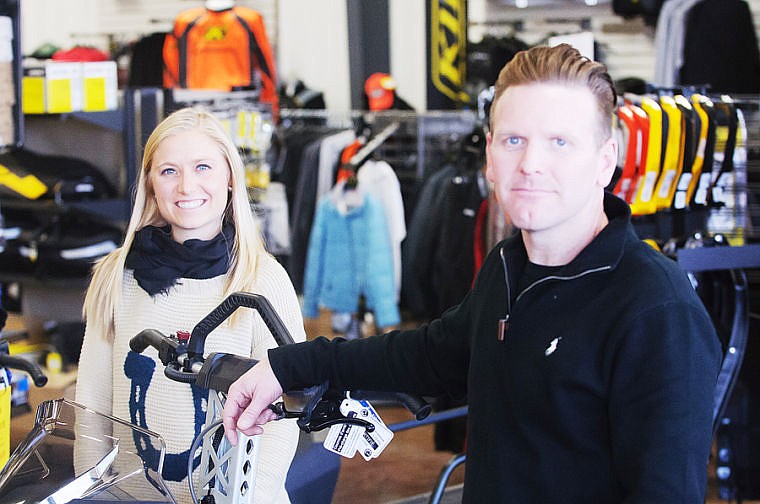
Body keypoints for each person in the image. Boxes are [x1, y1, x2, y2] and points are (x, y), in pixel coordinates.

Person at [221, 44, 722, 503]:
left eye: (560, 142)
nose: (530, 163)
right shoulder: (508, 266)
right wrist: (286, 366)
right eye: (513, 140)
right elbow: (427, 355)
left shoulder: (656, 311)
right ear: (489, 156)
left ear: (605, 161)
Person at [75, 107, 305, 503]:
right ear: (149, 182)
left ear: (230, 178)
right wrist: (90, 493)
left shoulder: (262, 281)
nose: (186, 186)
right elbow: (92, 400)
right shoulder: (117, 275)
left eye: (203, 167)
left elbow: (281, 420)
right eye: (169, 171)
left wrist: (249, 497)